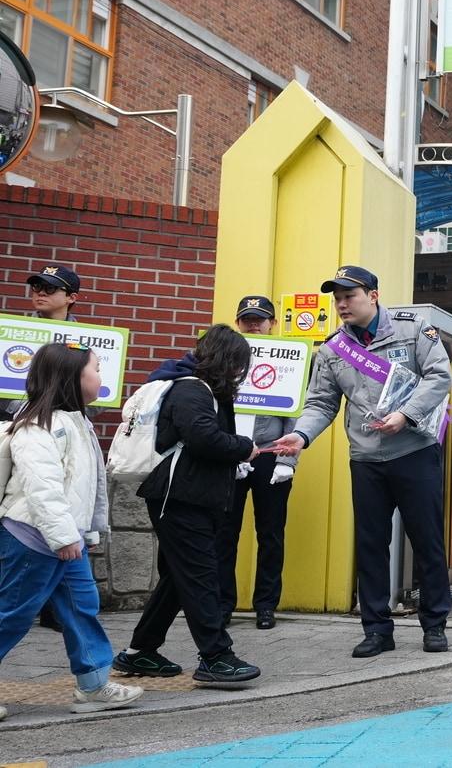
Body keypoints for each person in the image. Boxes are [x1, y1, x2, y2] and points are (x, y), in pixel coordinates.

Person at [269, 266, 452, 658]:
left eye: (349, 295)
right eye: (336, 297)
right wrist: (301, 436)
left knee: (427, 540)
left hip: (414, 452)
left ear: (373, 294)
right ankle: (376, 629)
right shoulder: (333, 349)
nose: (341, 303)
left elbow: (439, 377)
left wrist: (405, 414)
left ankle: (434, 624)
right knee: (370, 544)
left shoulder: (413, 329)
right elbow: (321, 402)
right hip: (366, 458)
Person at [0, 343, 143, 719]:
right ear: (71, 378)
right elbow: (41, 487)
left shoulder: (76, 421)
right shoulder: (36, 425)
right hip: (33, 538)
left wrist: (83, 534)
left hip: (65, 540)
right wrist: (64, 536)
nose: (101, 376)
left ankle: (94, 683)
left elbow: (83, 488)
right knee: (11, 613)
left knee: (81, 609)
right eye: (95, 369)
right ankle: (94, 683)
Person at [115, 326, 262, 684]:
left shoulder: (196, 387)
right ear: (228, 361)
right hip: (180, 499)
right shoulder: (192, 389)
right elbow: (202, 437)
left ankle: (140, 651)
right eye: (239, 365)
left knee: (180, 578)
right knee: (200, 577)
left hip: (187, 497)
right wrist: (243, 446)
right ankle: (216, 656)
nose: (240, 374)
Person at [5, 264, 85, 634]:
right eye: (35, 285)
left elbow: (87, 399)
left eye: (50, 288)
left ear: (71, 298)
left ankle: (88, 664)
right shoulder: (12, 335)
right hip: (12, 433)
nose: (39, 292)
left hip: (57, 437)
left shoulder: (84, 343)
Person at [215, 296, 297, 631]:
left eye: (260, 319)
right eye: (247, 319)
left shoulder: (288, 360)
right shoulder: (223, 362)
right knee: (224, 534)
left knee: (271, 534)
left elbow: (294, 412)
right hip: (231, 456)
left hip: (269, 454)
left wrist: (288, 461)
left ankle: (266, 604)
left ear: (272, 323)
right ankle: (222, 605)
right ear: (238, 323)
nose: (253, 324)